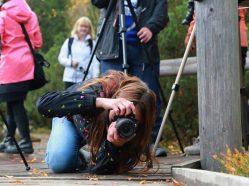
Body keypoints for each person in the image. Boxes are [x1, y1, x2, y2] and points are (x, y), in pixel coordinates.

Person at [37, 70, 156, 174]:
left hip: (94, 130)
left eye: (131, 119)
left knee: (123, 163)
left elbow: (100, 169)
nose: (123, 120)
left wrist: (114, 145)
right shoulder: (97, 90)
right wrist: (98, 102)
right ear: (114, 100)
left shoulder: (133, 129)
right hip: (70, 118)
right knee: (60, 161)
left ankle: (93, 153)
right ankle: (81, 157)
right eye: (120, 112)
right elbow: (43, 104)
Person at [91, 0, 169, 157]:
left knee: (149, 94)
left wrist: (151, 28)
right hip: (112, 47)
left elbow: (162, 14)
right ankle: (106, 141)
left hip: (143, 50)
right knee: (109, 93)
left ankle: (149, 142)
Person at [0, 0, 42, 154]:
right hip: (26, 64)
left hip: (10, 65)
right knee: (13, 101)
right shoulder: (31, 15)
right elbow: (38, 43)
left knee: (15, 103)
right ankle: (9, 140)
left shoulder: (3, 15)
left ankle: (25, 141)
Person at [58, 16, 100, 89]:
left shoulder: (92, 43)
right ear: (77, 27)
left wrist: (95, 77)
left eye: (86, 27)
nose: (83, 29)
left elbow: (95, 61)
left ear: (89, 29)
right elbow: (61, 58)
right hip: (69, 78)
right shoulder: (69, 41)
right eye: (81, 26)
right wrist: (71, 63)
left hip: (86, 79)